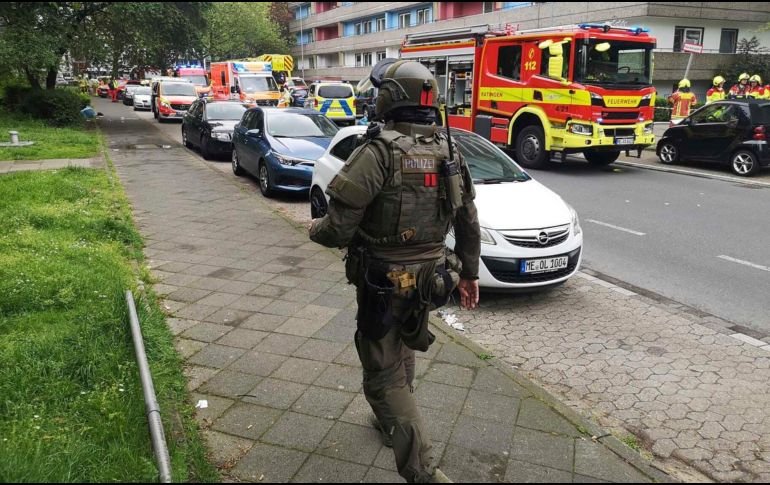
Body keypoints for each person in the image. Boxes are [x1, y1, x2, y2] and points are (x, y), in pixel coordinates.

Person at [309, 59, 481, 483]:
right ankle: (390, 424)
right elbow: (468, 219)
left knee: (381, 375)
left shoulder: (378, 151)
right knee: (403, 344)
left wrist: (315, 229)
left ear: (390, 97)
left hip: (383, 281)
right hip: (433, 277)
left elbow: (339, 227)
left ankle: (420, 468)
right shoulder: (449, 149)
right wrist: (471, 274)